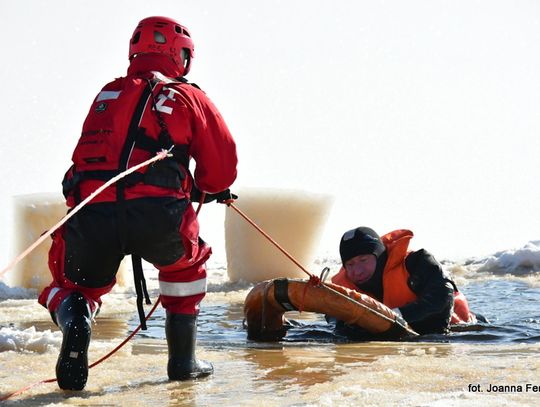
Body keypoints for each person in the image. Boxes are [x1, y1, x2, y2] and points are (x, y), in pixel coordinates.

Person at [37, 16, 238, 390]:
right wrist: (206, 188)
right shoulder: (188, 95)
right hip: (158, 217)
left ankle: (77, 315)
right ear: (182, 56)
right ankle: (183, 362)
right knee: (184, 270)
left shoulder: (107, 94)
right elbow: (221, 169)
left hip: (92, 213)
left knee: (73, 286)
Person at [331, 227, 476, 336]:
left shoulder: (417, 262)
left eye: (363, 260)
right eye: (350, 264)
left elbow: (442, 295)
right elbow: (334, 318)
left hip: (457, 324)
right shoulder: (344, 284)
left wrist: (393, 315)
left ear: (379, 256)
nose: (357, 270)